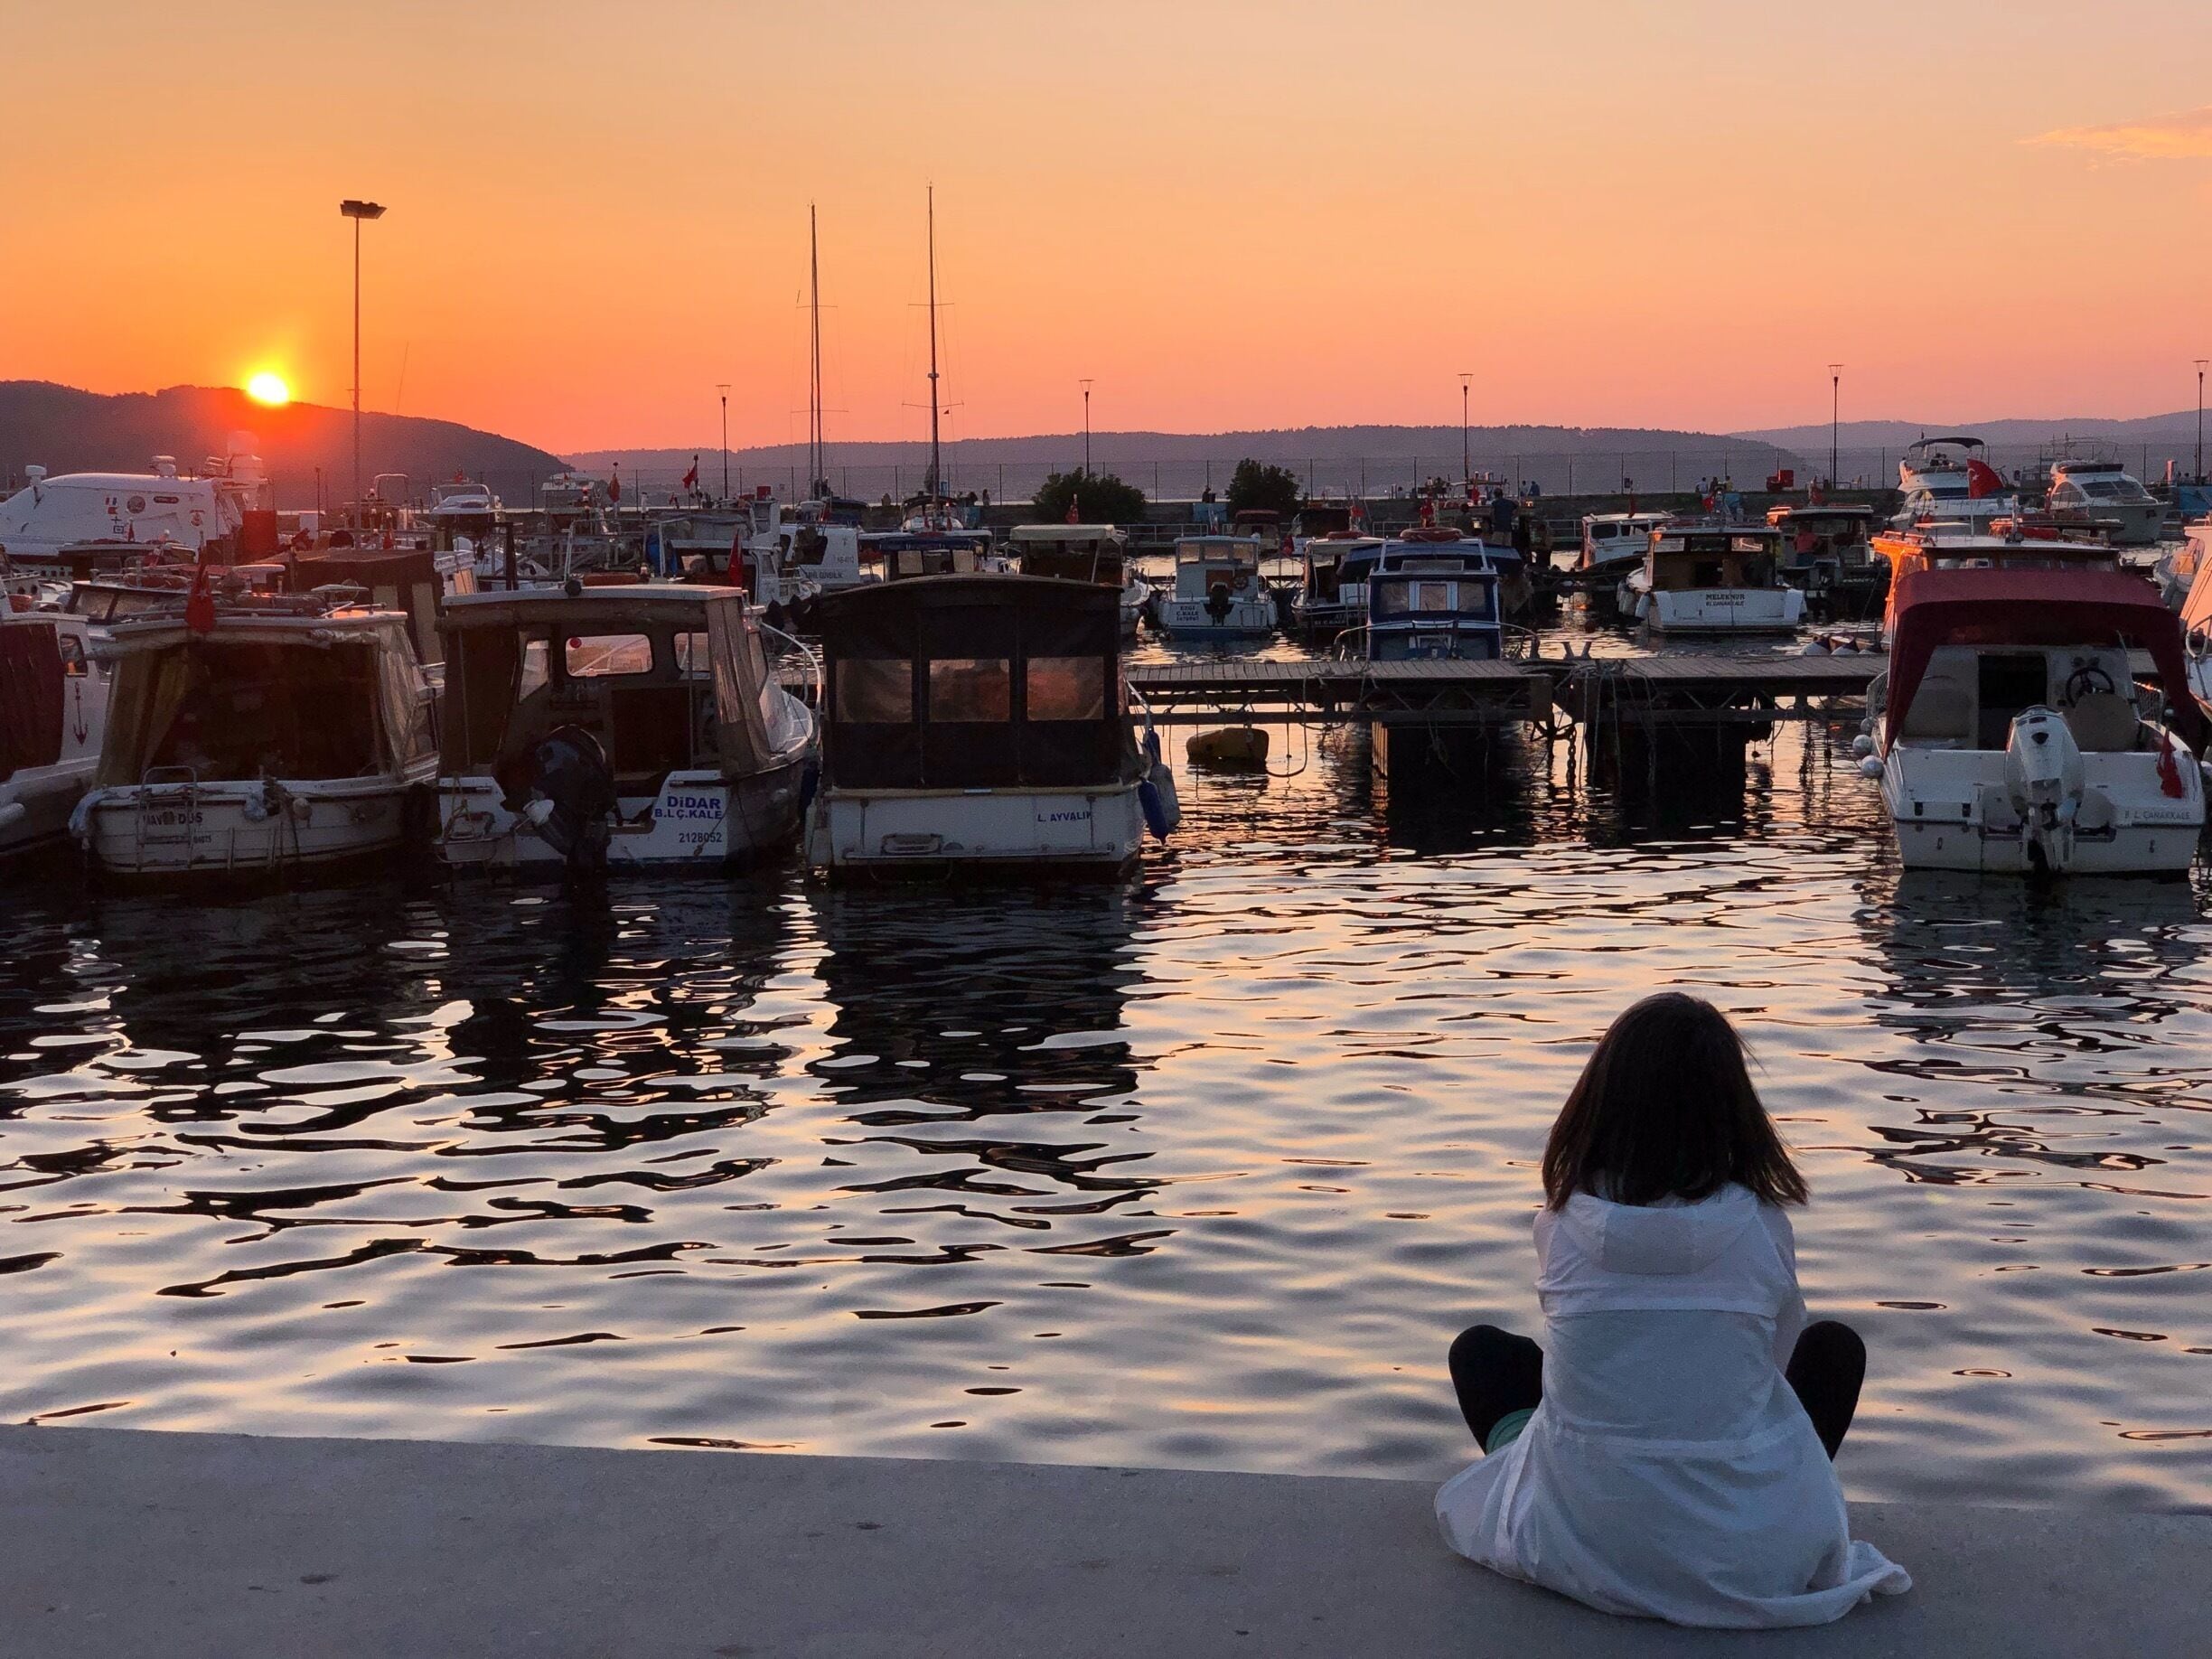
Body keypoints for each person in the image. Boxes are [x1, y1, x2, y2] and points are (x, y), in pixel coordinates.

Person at [1436, 993, 1909, 1628]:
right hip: (1748, 1553)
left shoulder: (1560, 1222)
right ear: (1734, 1112)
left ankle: (1621, 1508)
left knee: (1486, 1354)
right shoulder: (1762, 1224)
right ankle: (1757, 1512)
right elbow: (1771, 1370)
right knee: (1832, 1350)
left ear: (1599, 1103)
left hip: (1585, 1540)